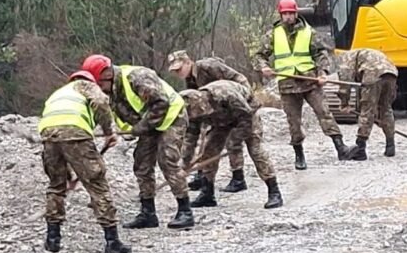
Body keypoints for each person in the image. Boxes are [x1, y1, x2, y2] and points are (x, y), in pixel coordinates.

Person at [80, 54, 195, 230]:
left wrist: (140, 128)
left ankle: (185, 211)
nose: (99, 89)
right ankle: (148, 213)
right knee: (141, 164)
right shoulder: (110, 90)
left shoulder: (137, 77)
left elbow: (161, 103)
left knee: (168, 161)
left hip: (172, 116)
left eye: (100, 84)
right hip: (150, 123)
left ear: (107, 75)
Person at [37, 70, 130, 253]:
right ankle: (112, 241)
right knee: (97, 185)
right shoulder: (85, 85)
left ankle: (52, 240)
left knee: (56, 186)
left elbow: (59, 132)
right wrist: (108, 132)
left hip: (48, 136)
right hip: (76, 135)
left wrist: (69, 175)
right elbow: (102, 102)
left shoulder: (59, 93)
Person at [255, 0, 351, 170]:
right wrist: (264, 67)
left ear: (296, 13)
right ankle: (299, 155)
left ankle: (340, 146)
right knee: (294, 122)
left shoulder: (308, 32)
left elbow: (320, 54)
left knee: (324, 113)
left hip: (310, 82)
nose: (288, 17)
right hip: (287, 85)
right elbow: (259, 55)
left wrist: (322, 73)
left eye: (291, 13)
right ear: (280, 15)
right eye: (285, 14)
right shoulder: (273, 34)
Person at [179, 81, 283, 209]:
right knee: (208, 152)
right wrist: (185, 163)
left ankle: (274, 191)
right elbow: (191, 138)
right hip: (222, 121)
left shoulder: (224, 94)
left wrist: (235, 141)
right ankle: (207, 194)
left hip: (247, 116)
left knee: (255, 150)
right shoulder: (191, 111)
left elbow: (246, 117)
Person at [167, 50, 250, 193]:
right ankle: (203, 176)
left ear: (188, 62)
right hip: (214, 108)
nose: (178, 73)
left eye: (179, 69)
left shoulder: (206, 66)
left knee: (234, 139)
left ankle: (238, 177)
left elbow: (236, 78)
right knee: (207, 142)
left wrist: (246, 96)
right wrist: (184, 163)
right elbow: (195, 119)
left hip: (236, 99)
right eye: (175, 71)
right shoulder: (190, 81)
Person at [337, 48, 399, 160]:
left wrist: (344, 103)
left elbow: (344, 83)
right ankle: (390, 145)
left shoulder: (344, 59)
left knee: (367, 110)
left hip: (372, 74)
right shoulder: (363, 53)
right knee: (386, 108)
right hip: (391, 73)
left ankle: (360, 148)